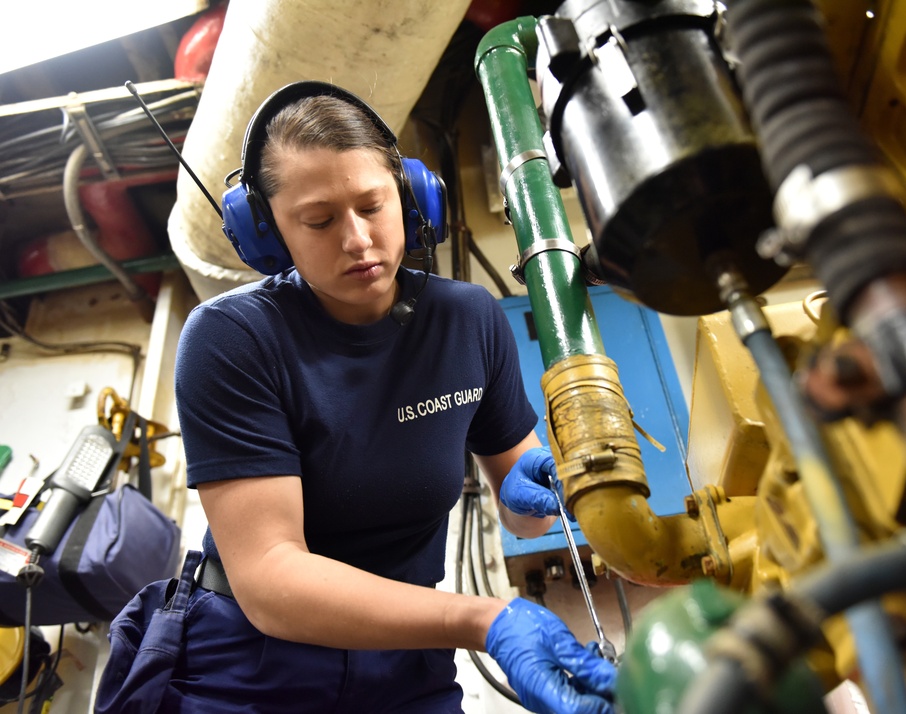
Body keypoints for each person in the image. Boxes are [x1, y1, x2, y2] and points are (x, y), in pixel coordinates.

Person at [96, 81, 617, 714]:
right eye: (318, 221)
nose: (357, 239)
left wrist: (549, 486)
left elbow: (525, 516)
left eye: (373, 206)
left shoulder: (468, 319)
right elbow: (269, 578)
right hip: (251, 661)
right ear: (267, 233)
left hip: (407, 661)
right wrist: (484, 621)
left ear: (410, 198)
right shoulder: (233, 339)